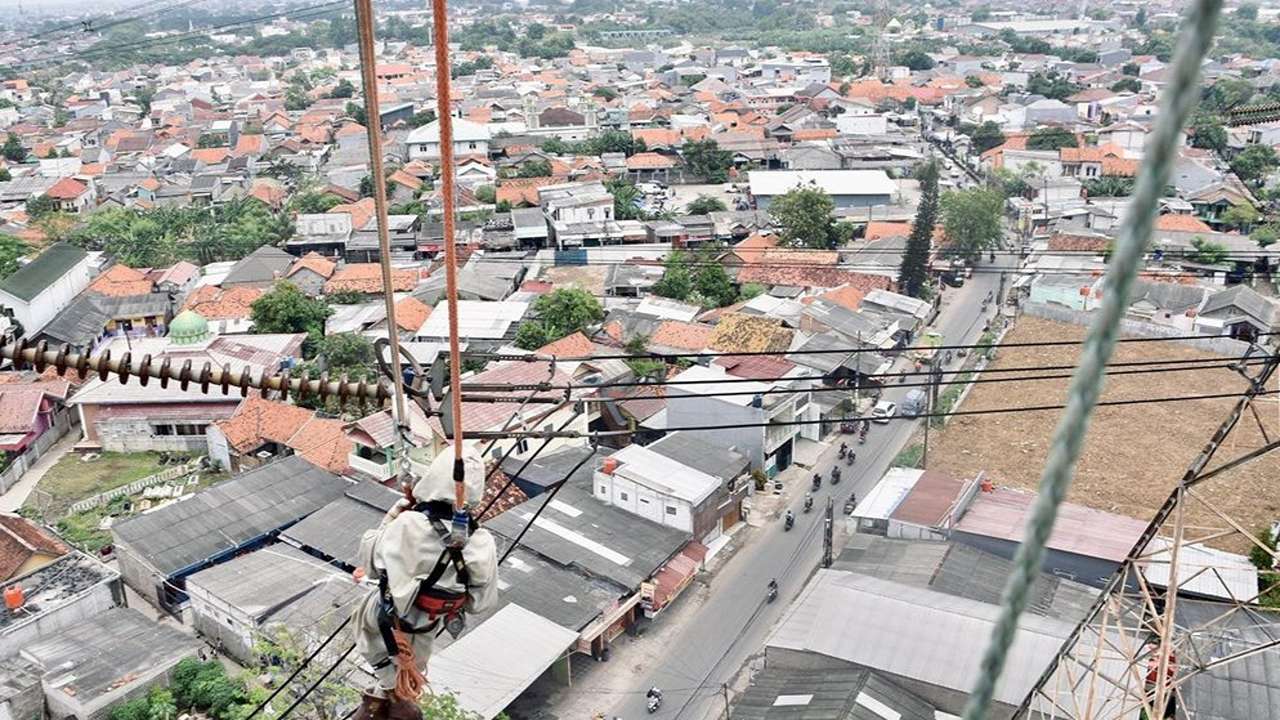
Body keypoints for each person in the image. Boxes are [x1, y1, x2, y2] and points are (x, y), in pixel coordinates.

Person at [351, 447, 499, 720]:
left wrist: (394, 515)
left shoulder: (408, 524)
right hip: (429, 624)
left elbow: (370, 563)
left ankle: (387, 689)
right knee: (408, 676)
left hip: (387, 619)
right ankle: (394, 694)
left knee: (364, 620)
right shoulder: (483, 541)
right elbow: (482, 601)